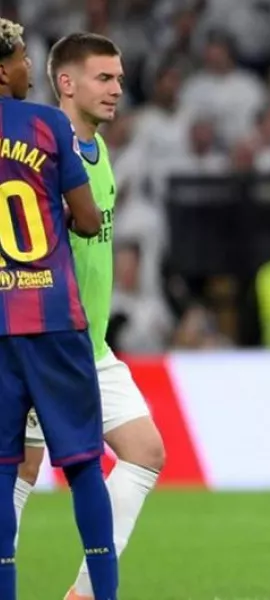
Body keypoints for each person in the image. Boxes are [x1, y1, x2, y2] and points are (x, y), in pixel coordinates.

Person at [13, 33, 165, 600]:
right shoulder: (41, 155)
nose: (117, 89)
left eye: (120, 79)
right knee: (22, 472)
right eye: (104, 78)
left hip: (91, 347)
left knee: (145, 452)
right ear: (67, 83)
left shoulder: (96, 150)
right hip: (46, 339)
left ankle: (81, 592)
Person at [0, 19, 117, 599]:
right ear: (3, 70)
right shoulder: (47, 125)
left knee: (3, 472)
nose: (29, 67)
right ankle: (102, 591)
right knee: (84, 465)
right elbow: (89, 220)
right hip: (52, 318)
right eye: (23, 59)